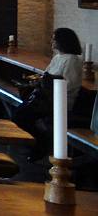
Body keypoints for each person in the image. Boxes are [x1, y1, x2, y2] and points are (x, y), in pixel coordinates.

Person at [13, 27, 84, 160]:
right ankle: (38, 141)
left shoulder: (72, 60)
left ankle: (41, 143)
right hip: (46, 98)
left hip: (60, 101)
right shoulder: (58, 57)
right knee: (19, 113)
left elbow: (71, 84)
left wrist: (49, 84)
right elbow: (46, 75)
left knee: (21, 115)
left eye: (54, 38)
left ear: (62, 41)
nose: (52, 41)